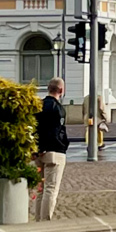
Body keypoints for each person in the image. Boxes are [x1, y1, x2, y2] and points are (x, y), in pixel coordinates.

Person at [34, 78, 70, 221]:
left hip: (38, 152)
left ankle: (38, 219)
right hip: (54, 151)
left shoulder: (39, 106)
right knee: (51, 189)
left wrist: (37, 148)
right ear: (61, 90)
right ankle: (46, 221)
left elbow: (36, 129)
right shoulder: (58, 109)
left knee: (41, 189)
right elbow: (57, 131)